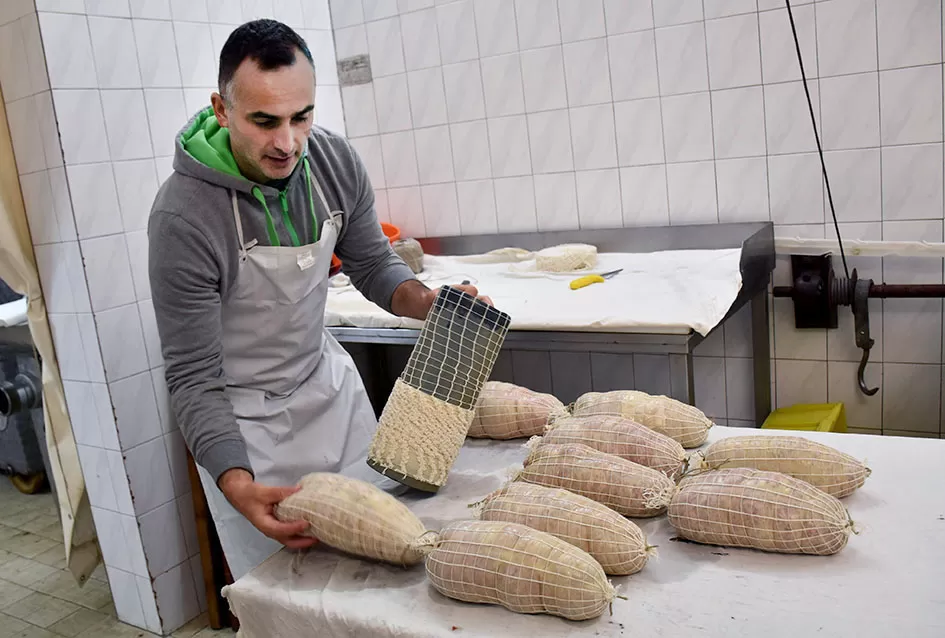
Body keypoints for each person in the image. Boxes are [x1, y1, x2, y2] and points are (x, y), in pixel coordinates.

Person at [147, 19, 487, 580]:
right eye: (264, 121)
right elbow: (192, 376)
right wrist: (237, 483)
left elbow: (374, 265)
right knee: (295, 598)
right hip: (247, 434)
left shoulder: (332, 163)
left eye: (301, 116)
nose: (287, 143)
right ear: (222, 108)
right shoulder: (184, 218)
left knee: (378, 575)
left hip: (329, 399)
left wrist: (428, 303)